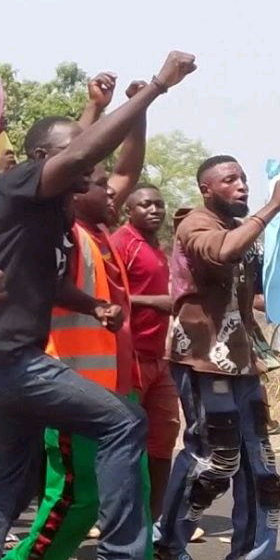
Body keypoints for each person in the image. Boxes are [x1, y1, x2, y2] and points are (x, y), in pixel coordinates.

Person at [0, 51, 198, 560]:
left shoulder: (52, 215)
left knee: (5, 486)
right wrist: (157, 86)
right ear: (40, 160)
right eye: (72, 157)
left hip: (5, 360)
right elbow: (86, 148)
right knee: (121, 421)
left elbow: (50, 281)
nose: (89, 170)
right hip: (7, 360)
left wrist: (92, 303)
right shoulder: (15, 188)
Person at [0, 73, 151, 560]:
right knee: (72, 497)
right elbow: (73, 157)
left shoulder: (101, 231)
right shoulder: (59, 232)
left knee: (125, 483)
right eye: (96, 180)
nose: (109, 188)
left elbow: (126, 166)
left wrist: (134, 109)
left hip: (112, 384)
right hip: (66, 380)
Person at [157, 155, 280, 560]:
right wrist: (273, 206)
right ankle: (168, 542)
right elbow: (221, 252)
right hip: (202, 357)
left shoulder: (239, 230)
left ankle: (251, 558)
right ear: (206, 188)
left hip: (241, 357)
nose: (241, 186)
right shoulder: (194, 224)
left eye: (244, 178)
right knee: (215, 457)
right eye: (229, 180)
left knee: (262, 462)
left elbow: (248, 290)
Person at [113, 184, 182, 526]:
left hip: (159, 358)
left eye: (159, 204)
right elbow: (108, 296)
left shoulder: (157, 247)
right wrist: (155, 303)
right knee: (126, 441)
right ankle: (117, 516)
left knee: (164, 436)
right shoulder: (120, 244)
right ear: (129, 210)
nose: (155, 210)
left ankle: (153, 518)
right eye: (146, 205)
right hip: (129, 356)